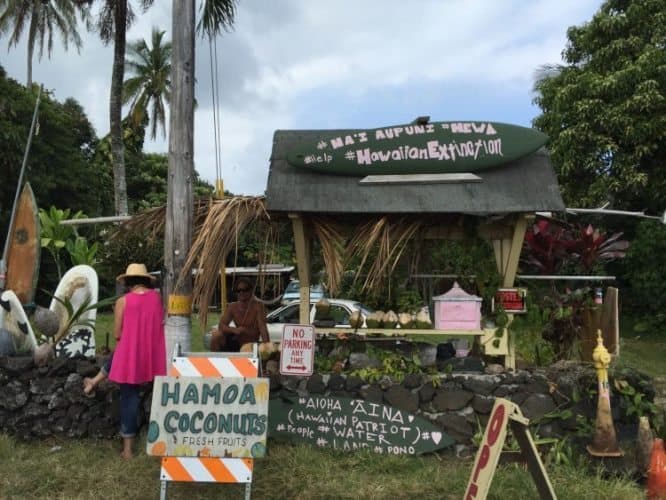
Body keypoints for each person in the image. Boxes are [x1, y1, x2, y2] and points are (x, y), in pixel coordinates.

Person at [88, 263, 166, 460]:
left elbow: (116, 334)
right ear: (146, 280)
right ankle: (94, 381)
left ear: (128, 282)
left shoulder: (123, 301)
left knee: (129, 399)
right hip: (152, 357)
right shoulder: (157, 299)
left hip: (131, 357)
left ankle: (128, 450)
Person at [211, 277, 270, 351]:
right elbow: (221, 326)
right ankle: (215, 360)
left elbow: (263, 328)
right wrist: (235, 330)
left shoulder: (258, 307)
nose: (241, 293)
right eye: (238, 290)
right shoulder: (232, 307)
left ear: (251, 291)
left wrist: (267, 347)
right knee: (216, 335)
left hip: (251, 344)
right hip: (236, 343)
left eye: (245, 290)